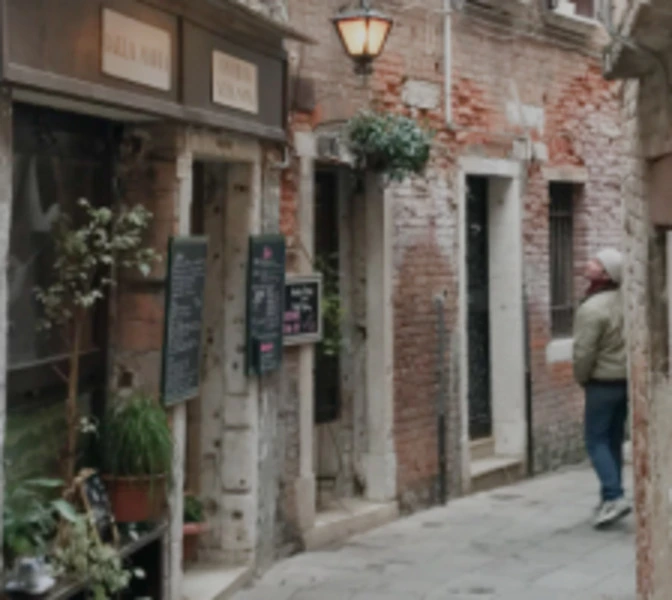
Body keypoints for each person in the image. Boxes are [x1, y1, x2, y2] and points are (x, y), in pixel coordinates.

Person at [573, 248, 630, 529]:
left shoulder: (592, 308)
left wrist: (582, 378)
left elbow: (584, 352)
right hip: (625, 381)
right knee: (613, 440)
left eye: (596, 262)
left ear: (606, 274)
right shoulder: (627, 302)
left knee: (596, 440)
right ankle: (609, 497)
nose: (589, 263)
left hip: (602, 383)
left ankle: (614, 496)